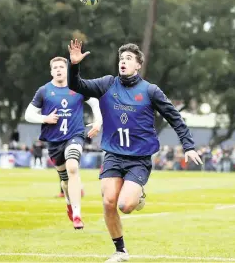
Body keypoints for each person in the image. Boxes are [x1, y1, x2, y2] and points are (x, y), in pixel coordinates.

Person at [67, 39, 203, 261]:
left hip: (139, 159)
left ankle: (138, 195)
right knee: (109, 201)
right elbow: (77, 86)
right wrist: (74, 66)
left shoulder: (150, 90)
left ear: (138, 65)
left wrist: (188, 146)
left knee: (125, 205)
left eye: (129, 59)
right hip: (113, 154)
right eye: (121, 58)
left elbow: (174, 117)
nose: (123, 62)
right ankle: (120, 251)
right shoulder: (107, 83)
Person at [25, 56, 102, 230]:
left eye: (62, 66)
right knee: (65, 180)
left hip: (75, 135)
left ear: (66, 69)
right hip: (53, 142)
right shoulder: (44, 91)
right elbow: (28, 114)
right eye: (56, 67)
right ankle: (68, 201)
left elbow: (95, 102)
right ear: (51, 71)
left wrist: (98, 122)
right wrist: (45, 118)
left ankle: (77, 214)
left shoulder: (78, 87)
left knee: (73, 167)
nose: (59, 70)